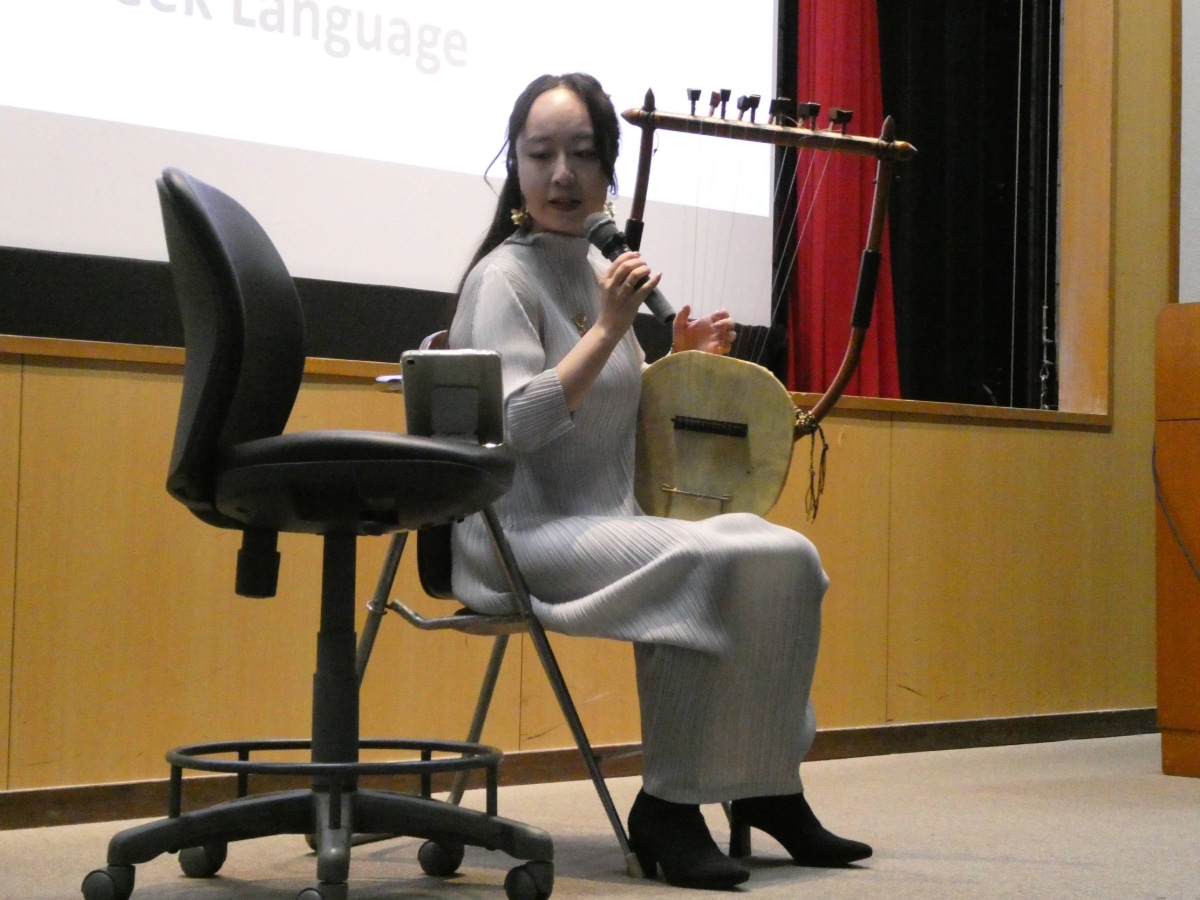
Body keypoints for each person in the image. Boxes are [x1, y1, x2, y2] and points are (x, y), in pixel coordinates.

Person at [446, 72, 871, 890]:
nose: (562, 175)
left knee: (782, 554)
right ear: (516, 169)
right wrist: (612, 329)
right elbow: (520, 427)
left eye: (582, 155)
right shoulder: (503, 278)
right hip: (518, 536)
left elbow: (623, 435)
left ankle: (768, 782)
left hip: (605, 520)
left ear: (611, 173)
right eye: (540, 155)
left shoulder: (601, 271)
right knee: (705, 563)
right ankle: (668, 807)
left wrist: (677, 359)